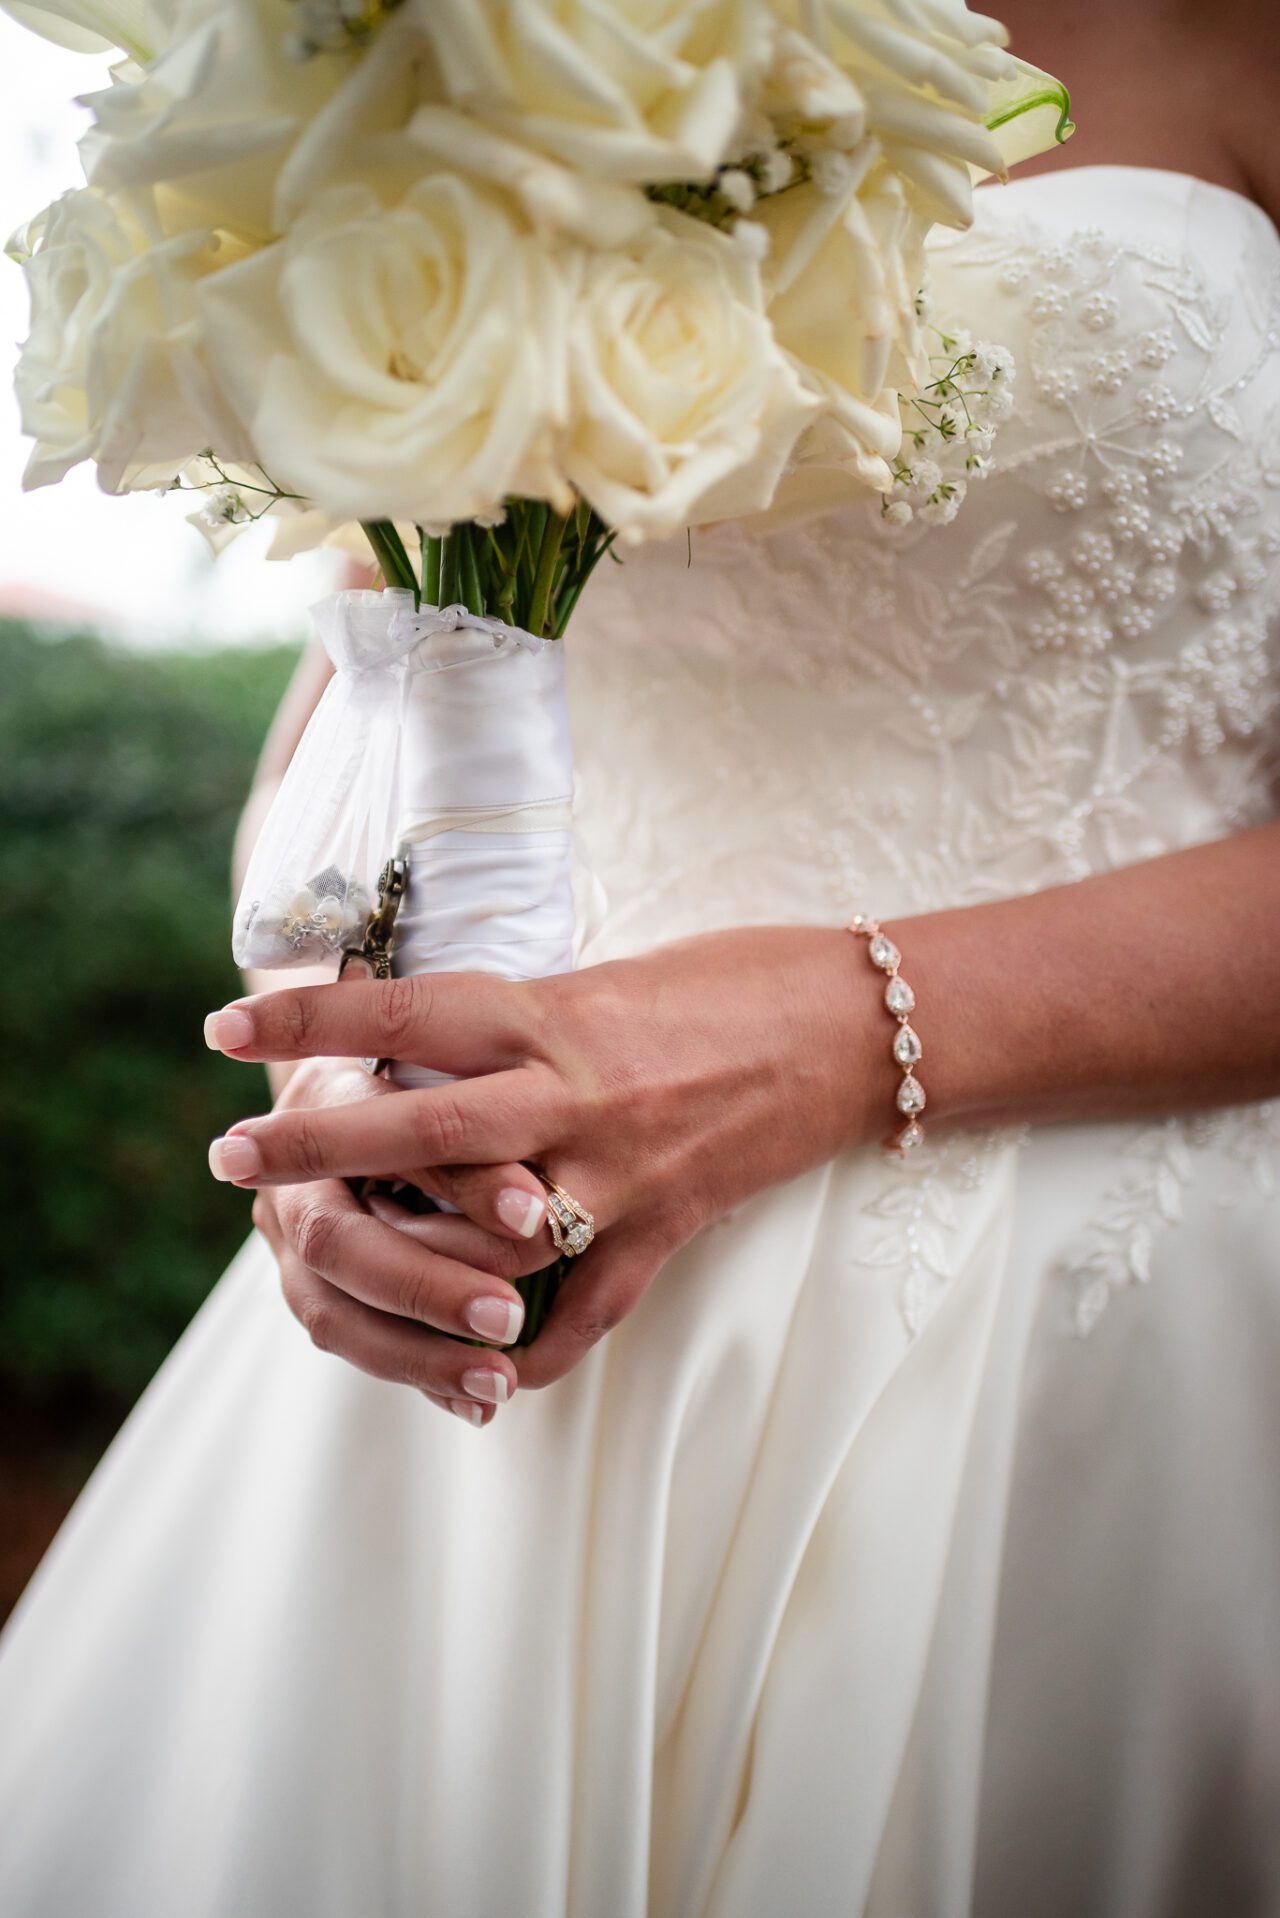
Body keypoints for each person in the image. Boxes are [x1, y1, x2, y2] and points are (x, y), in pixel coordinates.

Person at [2, 3, 1279, 1911]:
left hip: (1089, 1354)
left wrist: (834, 1032)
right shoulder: (513, 26)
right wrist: (344, 1078)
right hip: (490, 1312)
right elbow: (378, 669)